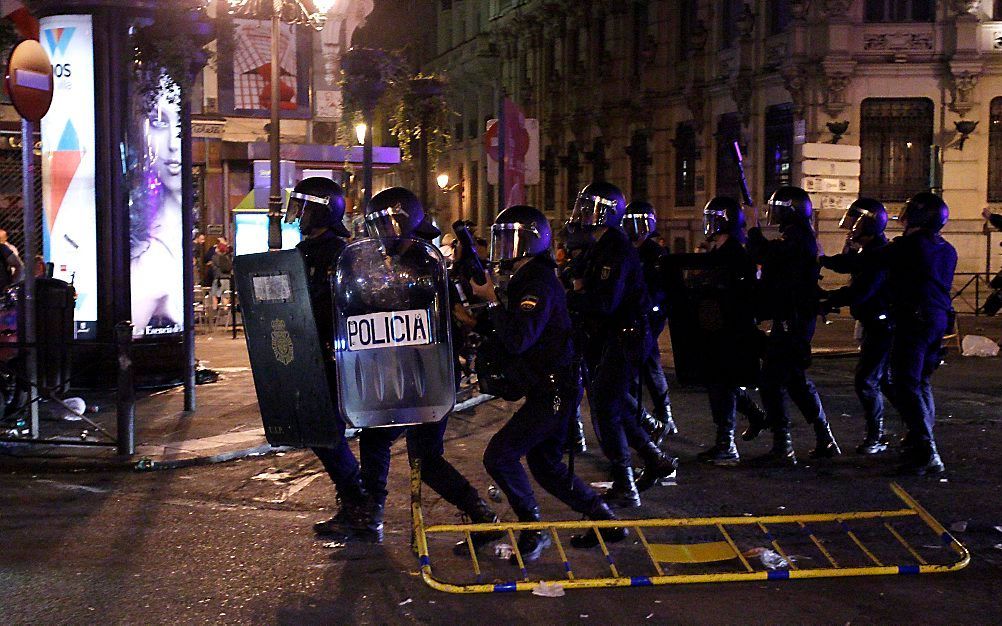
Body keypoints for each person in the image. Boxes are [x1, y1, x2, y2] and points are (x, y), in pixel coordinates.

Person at [339, 187, 501, 550]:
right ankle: (372, 511)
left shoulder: (429, 266)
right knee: (376, 437)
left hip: (430, 372)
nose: (382, 235)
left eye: (388, 224)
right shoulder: (395, 265)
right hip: (398, 368)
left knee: (425, 457)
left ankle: (482, 516)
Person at [470, 204, 627, 563]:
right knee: (545, 465)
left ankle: (533, 530)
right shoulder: (528, 279)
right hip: (553, 387)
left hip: (555, 389)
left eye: (510, 241)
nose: (503, 250)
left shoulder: (537, 282)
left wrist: (492, 301)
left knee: (500, 455)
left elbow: (518, 339)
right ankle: (606, 520)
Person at [821, 192, 956, 475]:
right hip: (939, 320)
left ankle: (926, 450)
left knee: (905, 384)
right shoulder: (946, 248)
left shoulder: (907, 247)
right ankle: (921, 444)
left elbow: (865, 263)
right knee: (919, 383)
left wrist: (825, 262)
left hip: (914, 321)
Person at [566, 181, 677, 507]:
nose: (583, 214)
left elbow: (604, 301)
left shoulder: (615, 248)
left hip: (626, 335)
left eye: (590, 208)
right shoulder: (598, 247)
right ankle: (654, 458)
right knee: (617, 401)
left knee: (604, 405)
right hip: (612, 336)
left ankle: (625, 480)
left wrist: (573, 296)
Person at [284, 177, 375, 542]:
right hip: (311, 355)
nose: (298, 215)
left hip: (332, 357)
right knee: (320, 434)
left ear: (320, 210)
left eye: (303, 208)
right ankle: (356, 503)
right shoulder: (308, 250)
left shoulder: (340, 253)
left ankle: (359, 504)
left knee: (325, 434)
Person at [747, 186, 839, 466]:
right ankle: (824, 438)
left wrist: (752, 227)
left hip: (793, 320)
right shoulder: (798, 236)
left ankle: (782, 445)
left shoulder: (798, 238)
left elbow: (765, 254)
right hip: (792, 318)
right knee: (795, 381)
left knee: (771, 381)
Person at [819, 199, 894, 454]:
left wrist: (829, 299)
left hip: (882, 325)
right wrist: (826, 259)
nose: (851, 229)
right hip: (873, 322)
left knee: (867, 381)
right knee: (885, 382)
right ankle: (912, 430)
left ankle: (877, 436)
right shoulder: (868, 250)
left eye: (856, 224)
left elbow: (860, 291)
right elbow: (847, 265)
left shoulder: (877, 254)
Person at [692, 197, 760, 465]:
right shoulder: (719, 252)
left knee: (722, 385)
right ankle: (753, 416)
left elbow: (736, 293)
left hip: (730, 331)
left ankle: (726, 442)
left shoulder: (735, 254)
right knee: (721, 384)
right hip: (716, 329)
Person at [130, 83, 183, 336]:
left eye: (181, 125)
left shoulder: (174, 233)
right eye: (160, 123)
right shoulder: (150, 262)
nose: (174, 143)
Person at [622, 200, 677, 444]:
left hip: (649, 316)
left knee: (650, 364)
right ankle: (641, 417)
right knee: (635, 368)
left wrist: (651, 309)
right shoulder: (626, 250)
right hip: (631, 315)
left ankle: (664, 416)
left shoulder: (656, 253)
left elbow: (662, 287)